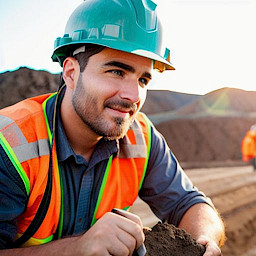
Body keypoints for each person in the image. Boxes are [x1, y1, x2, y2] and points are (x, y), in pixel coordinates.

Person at [0, 0, 225, 255]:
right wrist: (78, 249)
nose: (133, 95)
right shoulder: (11, 144)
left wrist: (204, 239)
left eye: (143, 79)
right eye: (117, 71)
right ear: (71, 73)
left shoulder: (142, 137)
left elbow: (189, 203)